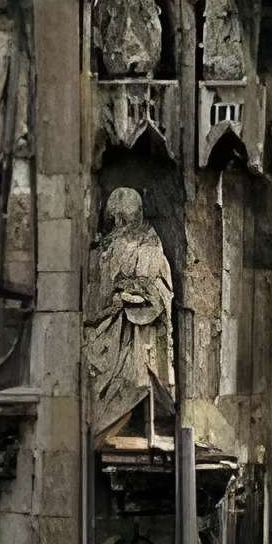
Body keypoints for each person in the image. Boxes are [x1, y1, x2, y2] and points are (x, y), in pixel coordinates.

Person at [85, 185, 176, 446]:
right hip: (106, 327)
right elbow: (95, 299)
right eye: (117, 220)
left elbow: (161, 293)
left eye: (122, 219)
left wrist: (132, 295)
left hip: (135, 330)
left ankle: (136, 422)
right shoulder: (103, 251)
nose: (119, 225)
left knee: (133, 377)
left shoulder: (150, 249)